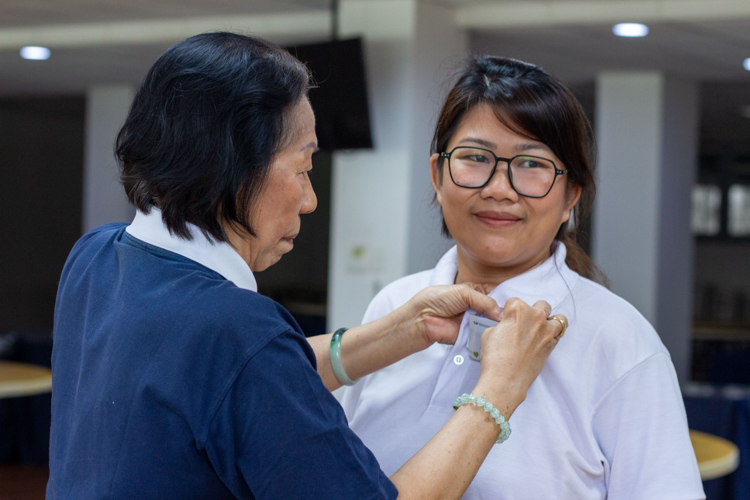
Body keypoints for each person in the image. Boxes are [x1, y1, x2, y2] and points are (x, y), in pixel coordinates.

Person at [47, 34, 567, 499]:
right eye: (303, 167)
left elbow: (232, 386)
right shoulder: (239, 332)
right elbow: (247, 367)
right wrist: (498, 389)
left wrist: (398, 331)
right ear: (235, 167)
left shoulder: (95, 256)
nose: (310, 200)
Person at [340, 55, 706, 499]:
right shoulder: (395, 305)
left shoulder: (619, 339)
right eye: (476, 158)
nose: (499, 188)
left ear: (572, 195)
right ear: (437, 175)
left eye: (531, 164)